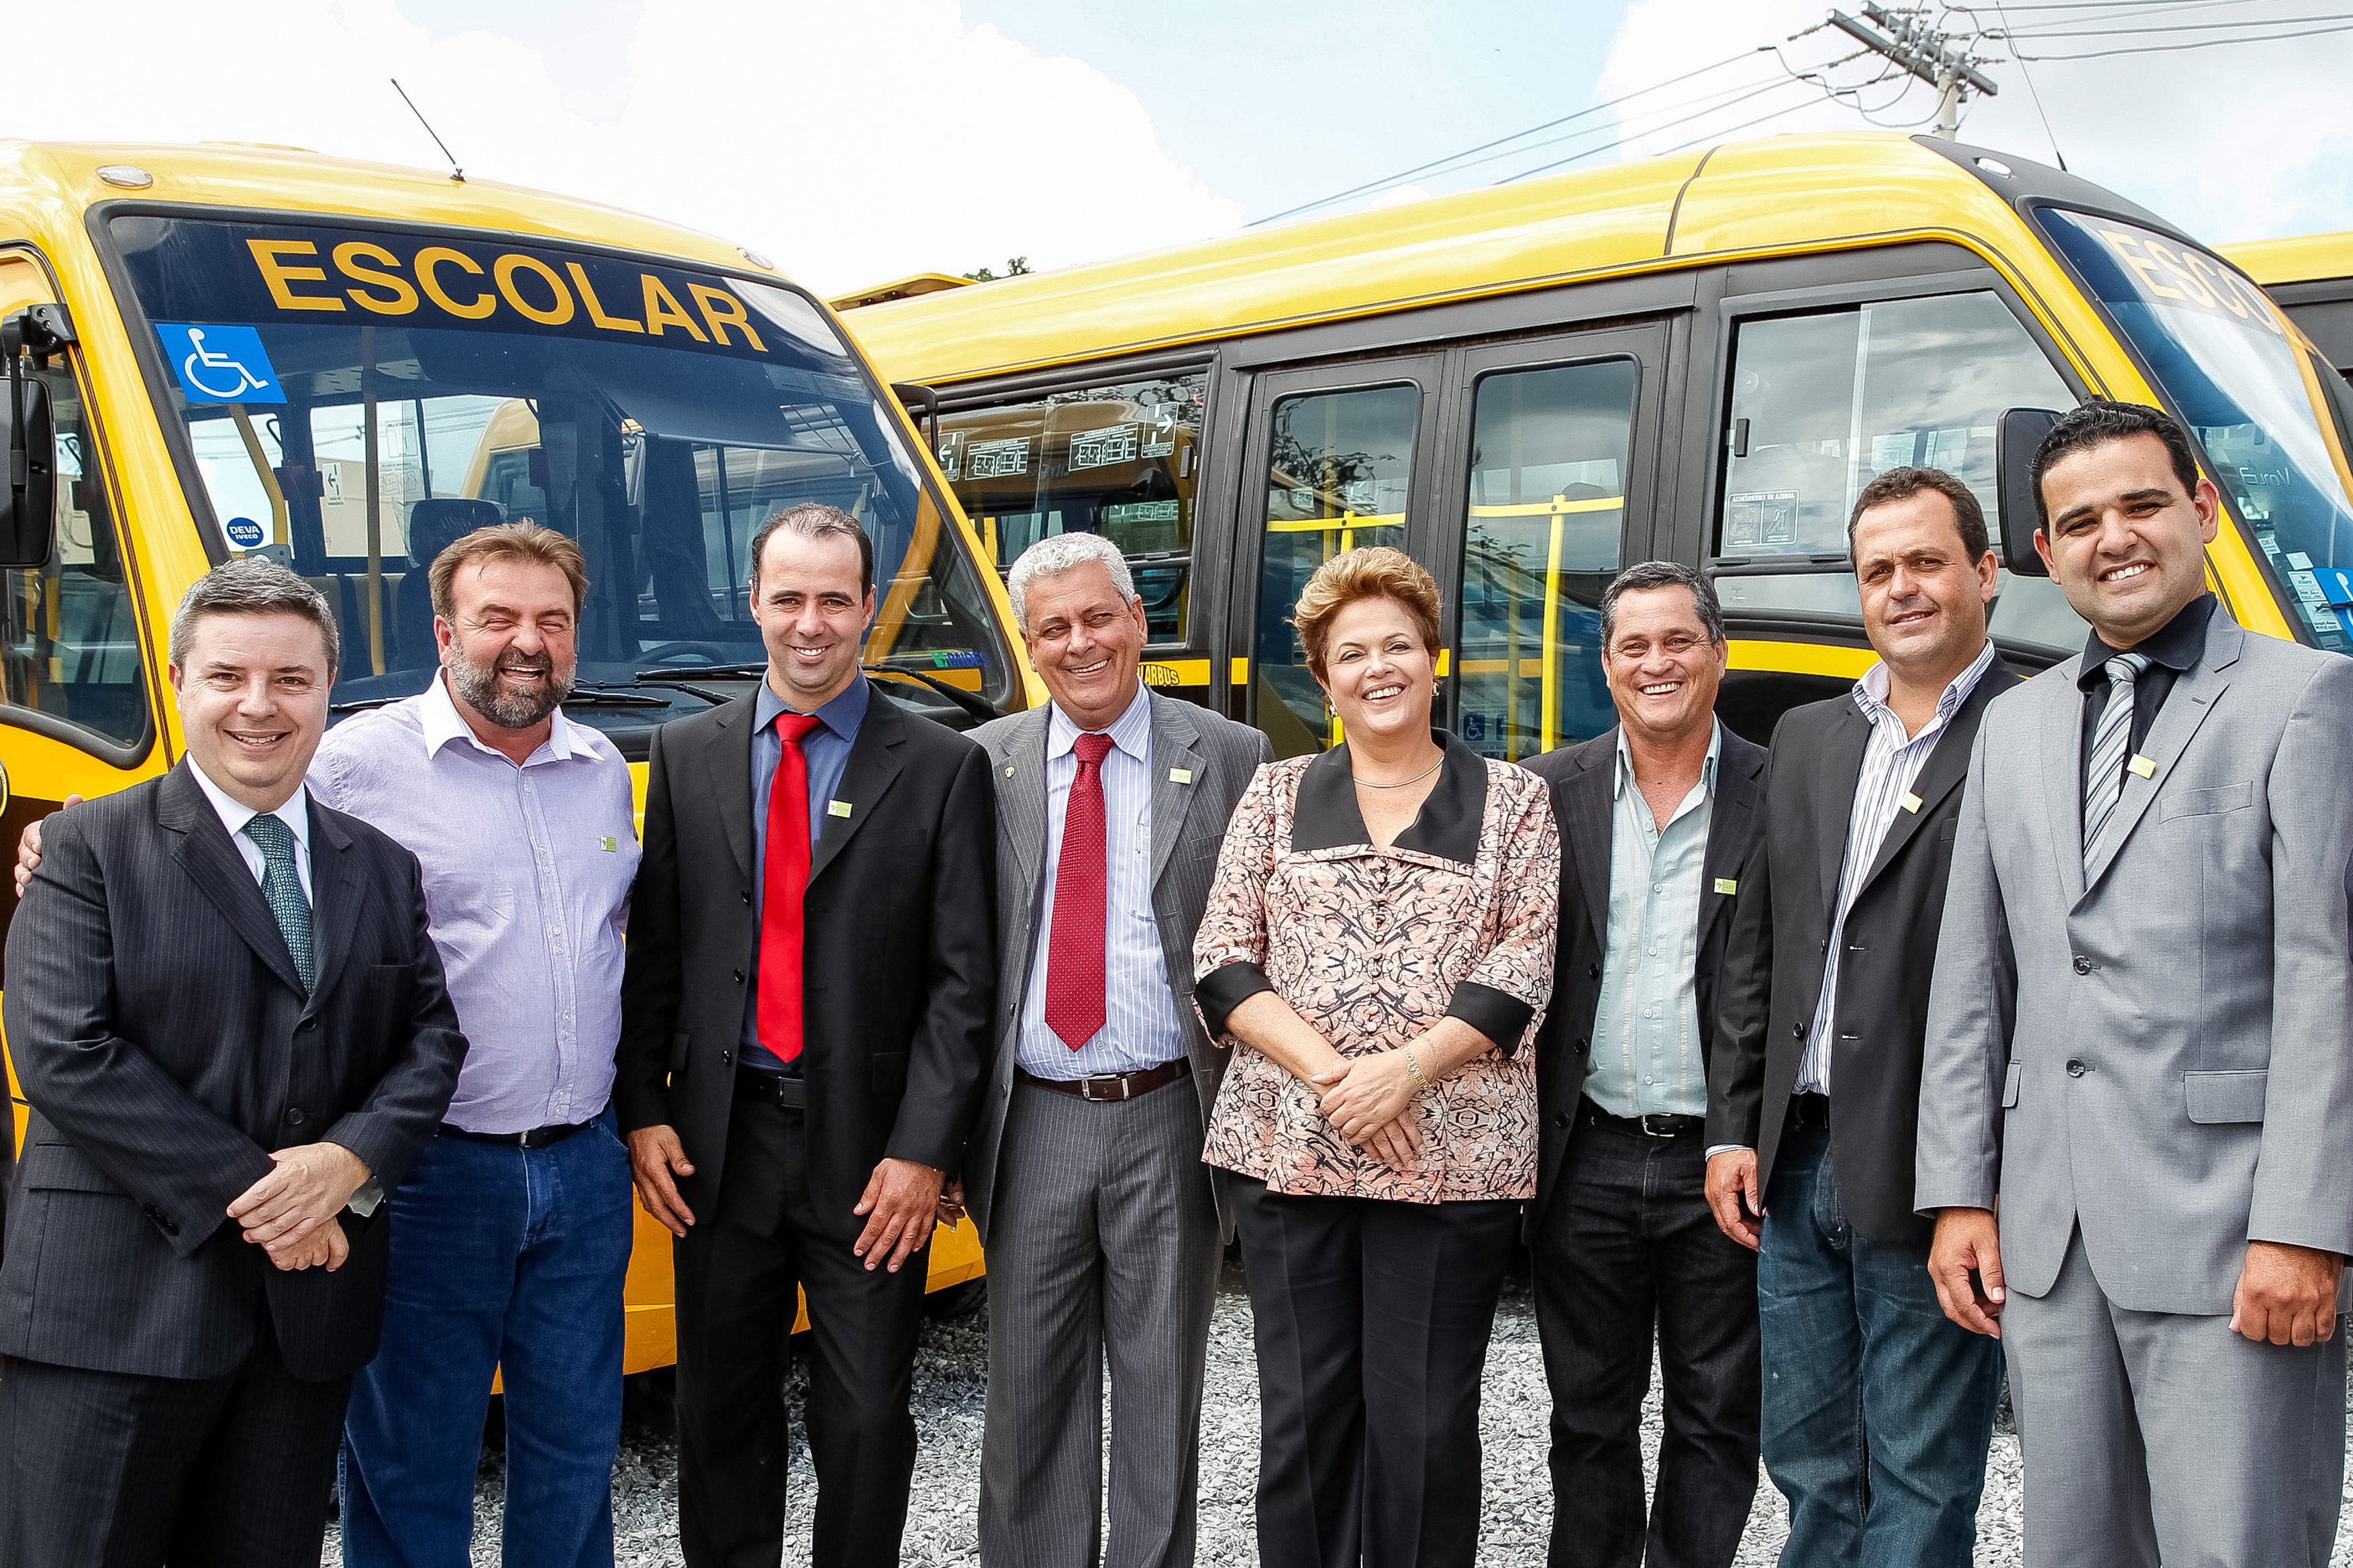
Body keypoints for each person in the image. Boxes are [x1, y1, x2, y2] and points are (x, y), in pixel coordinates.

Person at [13, 525, 643, 1566]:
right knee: (408, 1463)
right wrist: (297, 1189)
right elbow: (80, 1030)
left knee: (576, 1452)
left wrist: (342, 1164)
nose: (525, 642)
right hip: (417, 1177)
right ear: (444, 634)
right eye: (497, 618)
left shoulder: (601, 772)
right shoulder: (349, 763)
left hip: (576, 1168)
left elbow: (437, 1019)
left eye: (551, 621)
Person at [1917, 400, 2353, 1567]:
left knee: (2235, 1548)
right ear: (2044, 555)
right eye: (2079, 520)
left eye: (2141, 504)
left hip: (2230, 1236)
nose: (2113, 536)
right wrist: (1959, 1191)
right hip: (2048, 1239)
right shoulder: (2010, 727)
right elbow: (1975, 972)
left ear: (2202, 512)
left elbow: (2330, 977)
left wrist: (2308, 1228)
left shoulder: (2307, 698)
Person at [0, 559, 465, 1567]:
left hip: (300, 1334)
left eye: (290, 680)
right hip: (114, 1317)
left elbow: (430, 1039)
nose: (259, 705)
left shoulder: (377, 865)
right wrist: (275, 1202)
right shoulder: (85, 847)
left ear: (327, 691)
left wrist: (348, 1164)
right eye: (227, 677)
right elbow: (64, 1054)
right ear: (178, 684)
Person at [615, 503, 995, 1568]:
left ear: (869, 608)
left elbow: (962, 983)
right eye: (789, 597)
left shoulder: (936, 764)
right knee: (718, 1410)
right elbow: (658, 952)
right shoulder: (686, 754)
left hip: (869, 1155)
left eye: (836, 598)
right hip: (717, 1147)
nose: (812, 622)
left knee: (868, 1420)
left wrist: (925, 1150)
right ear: (754, 604)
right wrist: (643, 1108)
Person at [1193, 545, 1558, 1568]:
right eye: (1350, 652)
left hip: (1451, 1166)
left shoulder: (1514, 800)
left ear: (1435, 659)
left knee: (1427, 1424)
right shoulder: (1272, 796)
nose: (1377, 667)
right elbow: (1221, 958)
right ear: (1322, 678)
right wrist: (1341, 1079)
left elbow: (1522, 960)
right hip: (1291, 1155)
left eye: (1398, 643)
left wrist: (1406, 1072)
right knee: (1304, 1422)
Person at [1704, 470, 2020, 1566]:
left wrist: (1977, 1178)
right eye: (1876, 570)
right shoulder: (1806, 736)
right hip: (1793, 1161)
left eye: (1925, 562)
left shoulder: (2037, 723)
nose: (1901, 588)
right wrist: (1732, 1125)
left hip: (1933, 1165)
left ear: (1985, 572)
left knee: (1924, 1475)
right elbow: (1761, 949)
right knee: (1809, 1463)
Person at [962, 531, 1271, 1568]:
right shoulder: (985, 762)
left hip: (1171, 1111)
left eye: (1099, 616)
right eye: (1053, 626)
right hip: (1035, 1112)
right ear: (1028, 641)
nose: (1080, 641)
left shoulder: (1231, 753)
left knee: (1160, 1389)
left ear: (1138, 621)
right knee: (1028, 1398)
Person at [1520, 561, 1766, 1568]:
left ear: (1716, 652)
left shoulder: (1779, 784)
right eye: (1633, 645)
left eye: (1678, 641)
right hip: (1583, 1155)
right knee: (1586, 1418)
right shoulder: (1543, 789)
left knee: (1715, 1418)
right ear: (1606, 661)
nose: (1656, 662)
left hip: (1725, 1163)